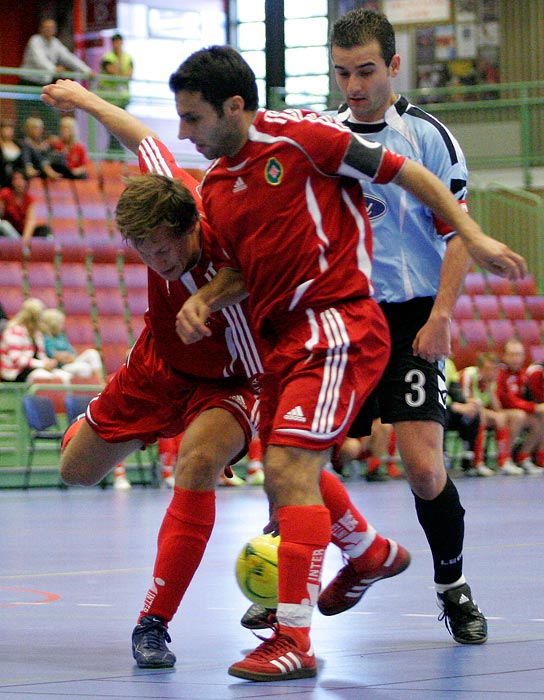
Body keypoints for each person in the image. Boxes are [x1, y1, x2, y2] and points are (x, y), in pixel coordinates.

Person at [170, 45, 524, 681]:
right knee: (285, 464)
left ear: (234, 107)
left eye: (192, 119)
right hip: (283, 337)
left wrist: (471, 236)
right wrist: (205, 296)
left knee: (301, 468)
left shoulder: (305, 138)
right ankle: (366, 553)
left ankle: (296, 639)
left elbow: (407, 175)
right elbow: (239, 274)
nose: (182, 133)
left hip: (340, 324)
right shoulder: (218, 189)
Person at [42, 79, 412, 675]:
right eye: (143, 253)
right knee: (75, 470)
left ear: (189, 229)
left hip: (232, 380)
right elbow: (141, 136)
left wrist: (211, 299)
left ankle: (153, 624)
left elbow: (248, 275)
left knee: (208, 464)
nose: (156, 263)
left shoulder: (225, 230)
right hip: (157, 365)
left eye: (164, 251)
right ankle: (365, 546)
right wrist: (83, 99)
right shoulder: (171, 193)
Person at [327, 8, 494, 645]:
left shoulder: (428, 138)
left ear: (393, 66)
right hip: (349, 318)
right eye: (342, 73)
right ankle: (293, 587)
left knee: (424, 469)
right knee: (302, 455)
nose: (354, 85)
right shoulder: (327, 140)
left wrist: (442, 317)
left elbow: (456, 235)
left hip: (415, 319)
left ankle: (452, 589)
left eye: (366, 71)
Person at [19, 17, 93, 133]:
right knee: (23, 118)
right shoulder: (35, 40)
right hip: (27, 84)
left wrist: (87, 70)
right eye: (46, 27)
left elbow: (69, 58)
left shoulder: (55, 43)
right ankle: (22, 146)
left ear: (55, 30)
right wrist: (54, 69)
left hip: (43, 86)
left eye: (52, 28)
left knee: (52, 118)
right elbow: (39, 59)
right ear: (41, 29)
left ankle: (54, 147)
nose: (49, 30)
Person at [460, 351, 527, 475]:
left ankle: (504, 460)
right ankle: (478, 462)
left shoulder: (493, 379)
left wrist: (490, 389)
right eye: (488, 369)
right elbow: (465, 401)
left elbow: (497, 408)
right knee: (485, 417)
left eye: (494, 369)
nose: (491, 373)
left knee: (512, 416)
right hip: (463, 412)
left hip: (482, 410)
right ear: (479, 368)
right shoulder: (469, 375)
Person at [496, 338, 544, 472]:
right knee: (519, 416)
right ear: (504, 356)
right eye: (512, 355)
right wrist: (533, 408)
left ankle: (524, 457)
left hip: (517, 410)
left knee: (540, 418)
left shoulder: (524, 374)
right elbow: (507, 399)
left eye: (519, 355)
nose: (515, 359)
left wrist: (537, 408)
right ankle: (504, 459)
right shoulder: (499, 372)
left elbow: (530, 396)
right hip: (499, 410)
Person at [0, 297, 71, 383]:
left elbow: (41, 355)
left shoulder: (37, 333)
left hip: (34, 368)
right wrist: (41, 364)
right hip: (15, 372)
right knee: (46, 378)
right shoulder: (14, 331)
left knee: (65, 376)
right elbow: (17, 360)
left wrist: (48, 362)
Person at [444, 356, 485, 475]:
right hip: (438, 408)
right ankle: (442, 454)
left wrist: (466, 404)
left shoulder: (448, 363)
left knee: (472, 412)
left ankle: (468, 456)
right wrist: (452, 406)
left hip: (451, 408)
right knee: (442, 414)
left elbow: (455, 390)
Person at [41, 308, 104, 384]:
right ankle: (89, 389)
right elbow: (52, 354)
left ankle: (100, 382)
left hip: (71, 361)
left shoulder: (61, 336)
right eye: (60, 323)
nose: (62, 326)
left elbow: (72, 352)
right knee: (85, 368)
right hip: (61, 367)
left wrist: (67, 356)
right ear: (54, 324)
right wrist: (63, 356)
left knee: (92, 353)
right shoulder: (46, 338)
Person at [99, 33, 133, 152]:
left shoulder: (128, 57)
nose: (118, 45)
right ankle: (116, 154)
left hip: (122, 99)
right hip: (109, 99)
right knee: (112, 128)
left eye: (119, 42)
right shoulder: (107, 58)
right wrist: (118, 62)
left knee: (121, 128)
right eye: (115, 42)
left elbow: (129, 75)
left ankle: (114, 154)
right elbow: (114, 72)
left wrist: (122, 75)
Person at [0, 169, 52, 242]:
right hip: (8, 232)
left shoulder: (29, 199)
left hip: (23, 233)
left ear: (26, 182)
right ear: (12, 182)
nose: (18, 182)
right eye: (15, 179)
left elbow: (30, 221)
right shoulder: (5, 193)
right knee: (3, 225)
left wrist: (25, 239)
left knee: (45, 230)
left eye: (21, 179)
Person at [21, 116, 60, 181]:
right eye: (35, 128)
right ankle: (29, 167)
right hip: (36, 168)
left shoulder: (43, 143)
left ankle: (46, 168)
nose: (39, 131)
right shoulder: (25, 143)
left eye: (40, 128)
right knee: (30, 150)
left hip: (47, 167)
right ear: (29, 129)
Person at [0, 120, 24, 188]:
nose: (8, 131)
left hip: (15, 179)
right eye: (5, 129)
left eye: (10, 129)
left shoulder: (19, 145)